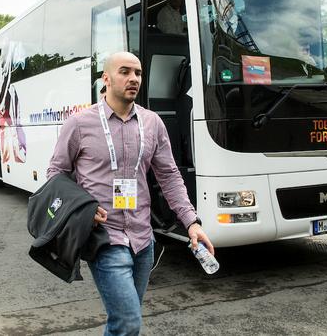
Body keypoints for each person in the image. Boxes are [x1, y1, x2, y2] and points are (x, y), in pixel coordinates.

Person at [47, 52, 214, 335]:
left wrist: (191, 222)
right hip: (104, 240)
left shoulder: (152, 123)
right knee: (128, 322)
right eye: (125, 72)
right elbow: (55, 175)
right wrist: (82, 209)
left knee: (123, 322)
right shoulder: (79, 124)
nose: (133, 78)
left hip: (142, 241)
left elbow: (169, 176)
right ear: (106, 78)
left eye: (138, 73)